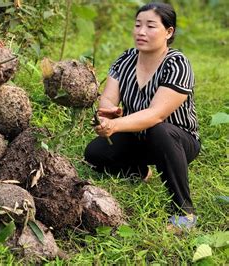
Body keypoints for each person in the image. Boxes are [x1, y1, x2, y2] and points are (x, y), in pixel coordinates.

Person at [84, 3, 200, 229]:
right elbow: (108, 99)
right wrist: (109, 115)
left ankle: (184, 211)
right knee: (95, 153)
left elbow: (156, 115)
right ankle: (140, 172)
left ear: (169, 32)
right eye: (138, 25)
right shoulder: (126, 59)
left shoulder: (177, 64)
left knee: (160, 130)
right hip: (137, 134)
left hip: (176, 140)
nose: (141, 32)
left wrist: (117, 125)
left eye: (150, 26)